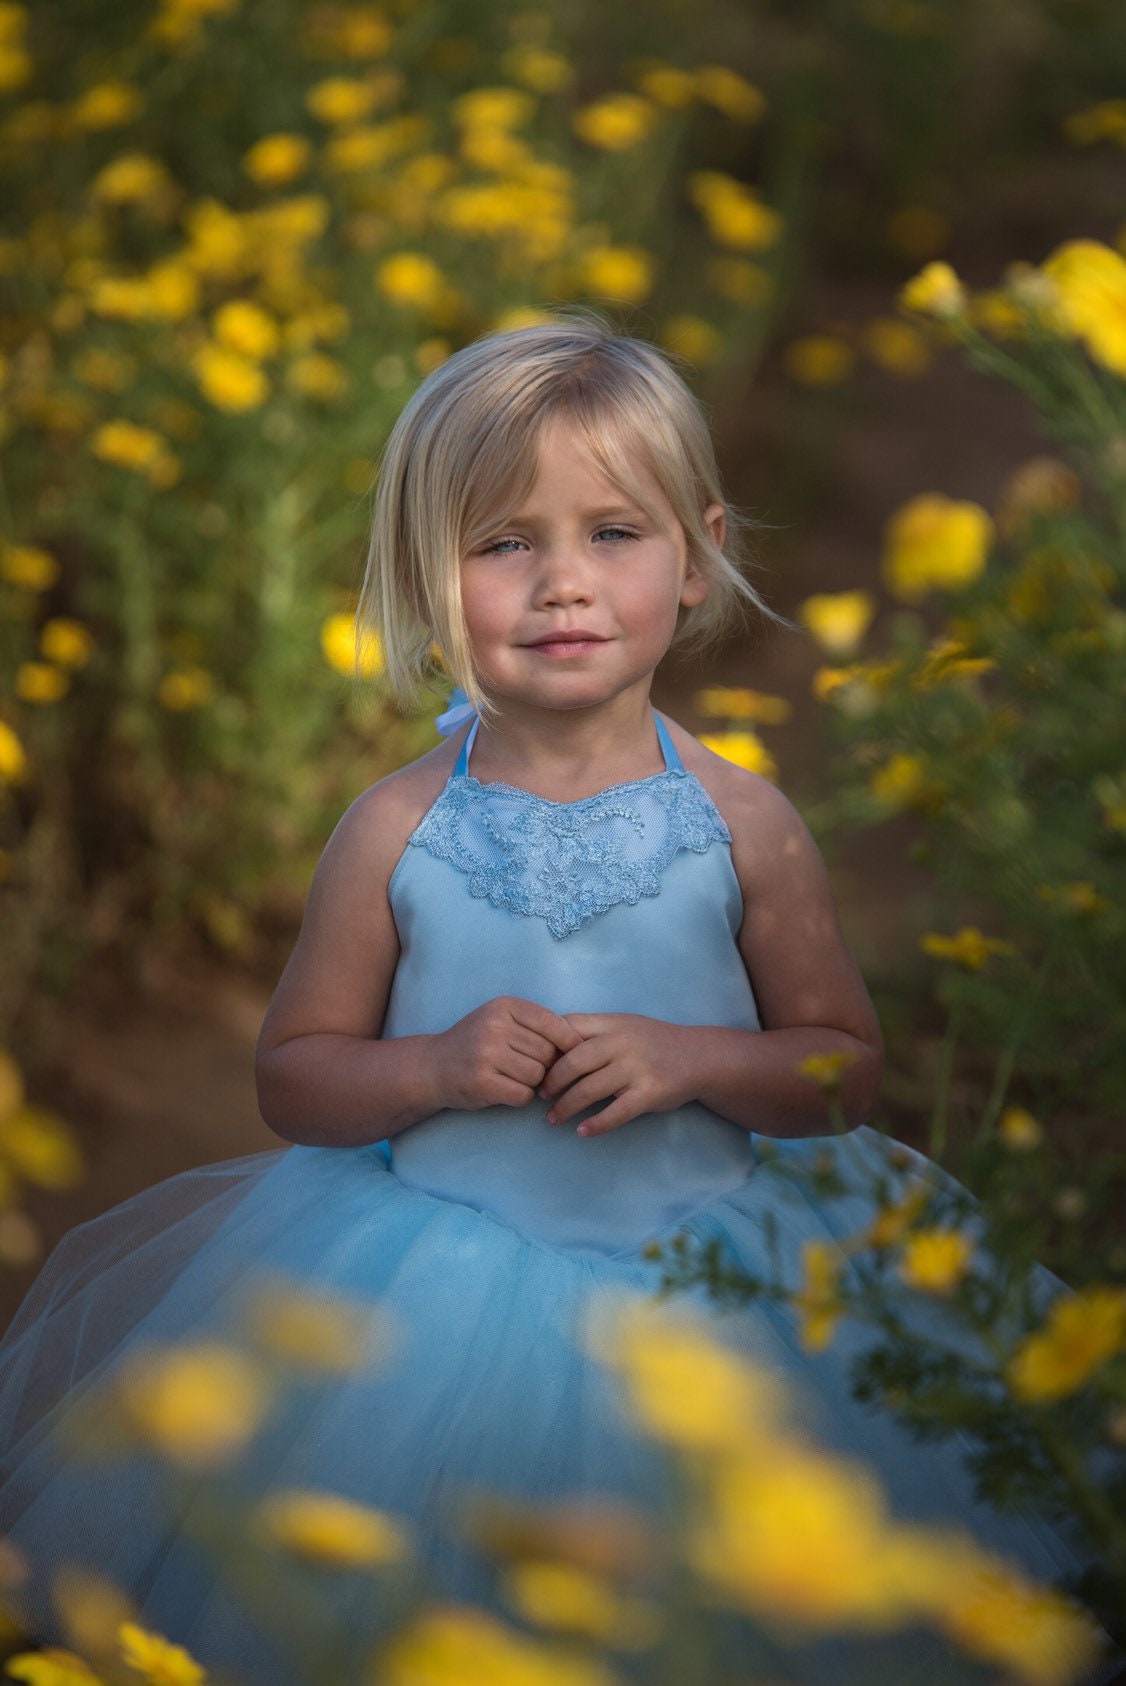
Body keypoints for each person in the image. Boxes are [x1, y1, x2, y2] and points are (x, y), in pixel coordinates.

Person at [0, 315, 1097, 1684]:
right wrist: (434, 1068)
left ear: (693, 557)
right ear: (428, 577)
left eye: (612, 534)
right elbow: (295, 1071)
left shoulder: (742, 821)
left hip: (718, 1277)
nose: (560, 584)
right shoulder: (394, 824)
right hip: (430, 1290)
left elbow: (844, 1067)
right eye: (503, 541)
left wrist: (695, 1054)